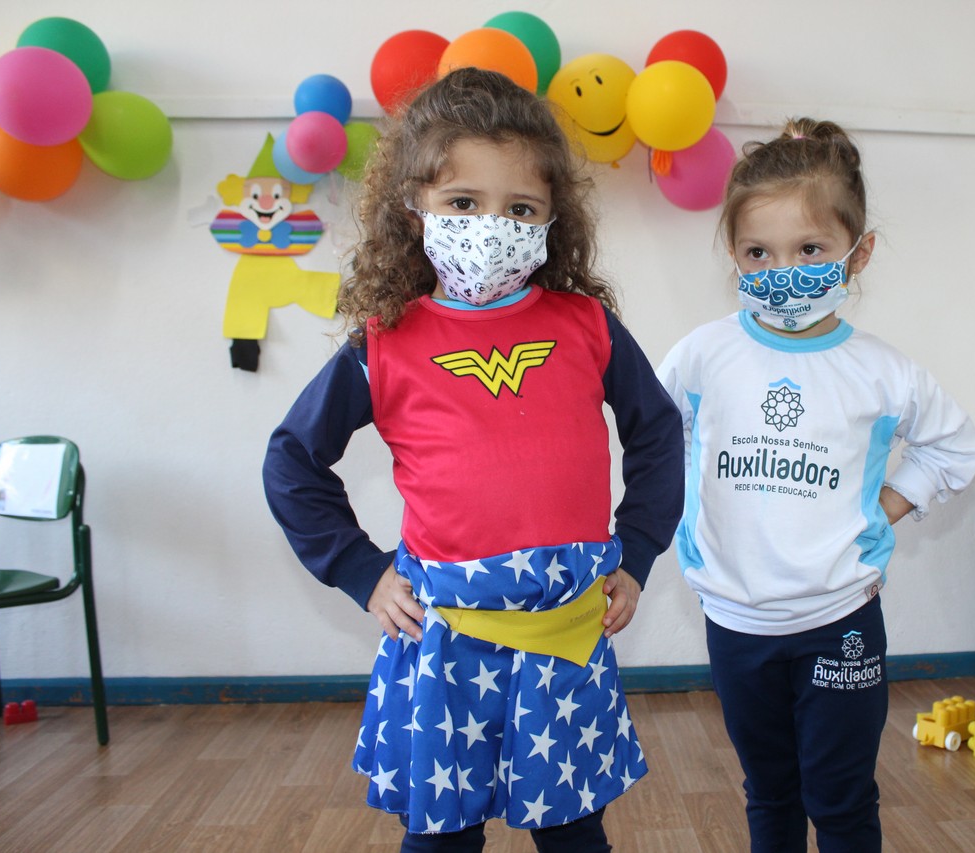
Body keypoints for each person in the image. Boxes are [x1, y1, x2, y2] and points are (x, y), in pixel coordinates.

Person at [263, 68, 684, 853]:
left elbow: (658, 434)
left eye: (519, 207)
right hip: (444, 645)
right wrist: (360, 570)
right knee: (442, 839)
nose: (491, 226)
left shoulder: (588, 326)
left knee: (574, 833)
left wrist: (639, 550)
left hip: (565, 637)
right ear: (413, 207)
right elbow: (292, 460)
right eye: (463, 202)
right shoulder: (384, 342)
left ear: (551, 218)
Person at [656, 117, 975, 853]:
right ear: (733, 255)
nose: (783, 269)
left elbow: (955, 448)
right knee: (770, 791)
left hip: (840, 621)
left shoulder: (883, 371)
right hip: (735, 622)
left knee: (840, 801)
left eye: (809, 249)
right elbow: (654, 438)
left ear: (857, 252)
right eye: (758, 251)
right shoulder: (702, 356)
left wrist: (880, 509)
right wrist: (687, 505)